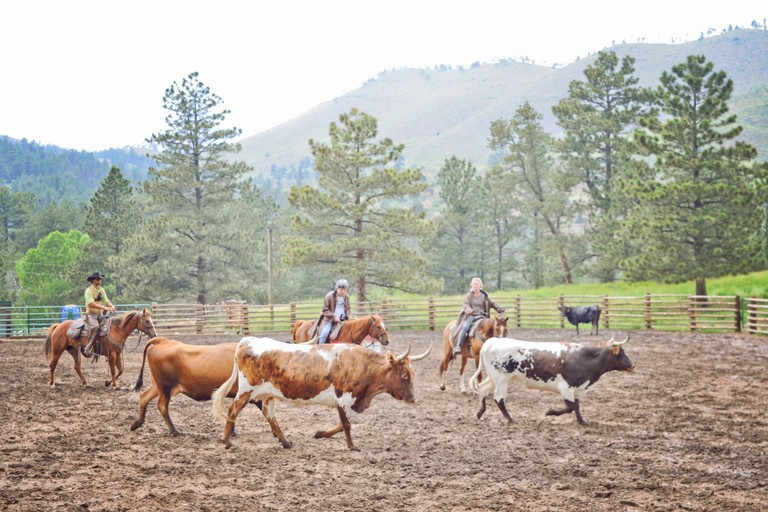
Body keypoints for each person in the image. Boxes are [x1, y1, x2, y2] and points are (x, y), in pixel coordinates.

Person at [452, 277, 505, 355]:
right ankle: (458, 346)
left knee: (493, 327)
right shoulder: (469, 295)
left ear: (480, 285)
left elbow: (492, 303)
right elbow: (465, 304)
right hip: (471, 316)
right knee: (465, 327)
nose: (475, 286)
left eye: (476, 284)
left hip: (483, 316)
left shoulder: (484, 295)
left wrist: (499, 308)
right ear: (471, 285)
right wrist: (470, 310)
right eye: (473, 284)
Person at [83, 272, 116, 357]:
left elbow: (106, 301)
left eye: (100, 279)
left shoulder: (101, 290)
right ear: (93, 280)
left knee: (109, 327)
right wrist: (105, 308)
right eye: (98, 279)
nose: (99, 280)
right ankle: (88, 346)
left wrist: (111, 306)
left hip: (100, 315)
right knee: (95, 327)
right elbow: (91, 304)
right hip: (91, 315)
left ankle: (107, 348)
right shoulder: (88, 291)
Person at [317, 279, 351, 344]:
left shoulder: (346, 297)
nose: (343, 291)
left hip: (343, 320)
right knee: (324, 334)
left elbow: (348, 308)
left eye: (344, 289)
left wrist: (349, 315)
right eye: (341, 289)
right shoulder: (329, 296)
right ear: (337, 288)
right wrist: (334, 317)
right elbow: (325, 310)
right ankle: (319, 348)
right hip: (330, 320)